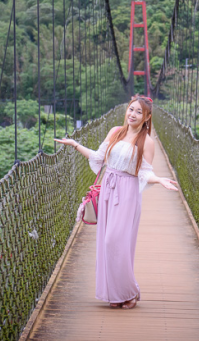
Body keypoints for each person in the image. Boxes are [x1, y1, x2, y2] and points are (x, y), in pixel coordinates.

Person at [54, 95, 179, 310]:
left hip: (127, 193)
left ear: (147, 117)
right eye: (131, 109)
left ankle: (130, 292)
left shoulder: (147, 142)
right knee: (106, 243)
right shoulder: (115, 132)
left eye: (139, 112)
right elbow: (98, 158)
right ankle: (116, 293)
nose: (133, 114)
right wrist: (75, 145)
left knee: (115, 242)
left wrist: (158, 179)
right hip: (108, 189)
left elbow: (144, 173)